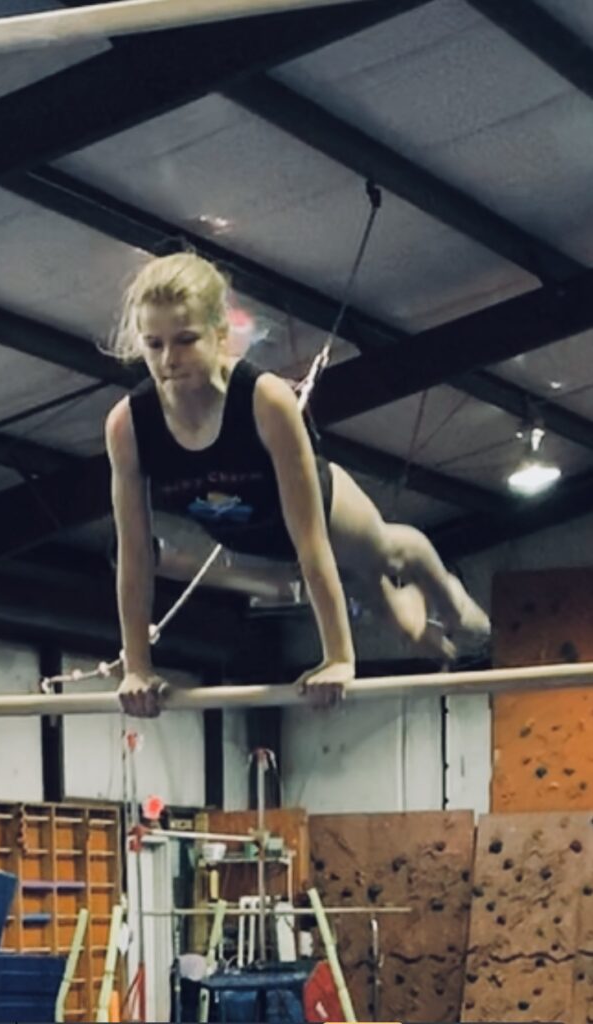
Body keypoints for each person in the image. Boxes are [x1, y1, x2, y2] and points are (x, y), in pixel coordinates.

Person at [105, 253, 490, 717]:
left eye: (186, 340)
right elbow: (135, 554)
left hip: (326, 516)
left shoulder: (264, 400)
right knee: (406, 629)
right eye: (154, 344)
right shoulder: (128, 425)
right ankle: (423, 624)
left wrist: (339, 658)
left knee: (383, 552)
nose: (168, 360)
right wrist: (138, 669)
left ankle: (452, 602)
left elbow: (310, 540)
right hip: (257, 533)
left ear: (220, 334)